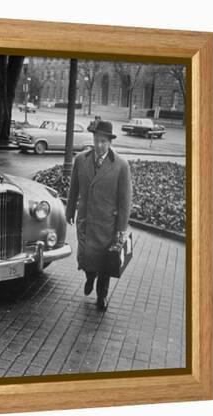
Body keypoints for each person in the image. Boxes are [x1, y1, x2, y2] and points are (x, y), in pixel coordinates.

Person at [65, 120, 132, 311]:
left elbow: (125, 200)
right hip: (85, 221)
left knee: (105, 262)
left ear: (110, 142)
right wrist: (69, 210)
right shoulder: (81, 160)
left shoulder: (121, 166)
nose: (99, 145)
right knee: (86, 258)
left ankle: (102, 296)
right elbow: (73, 189)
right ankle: (89, 276)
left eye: (103, 141)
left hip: (106, 224)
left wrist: (121, 229)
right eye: (96, 140)